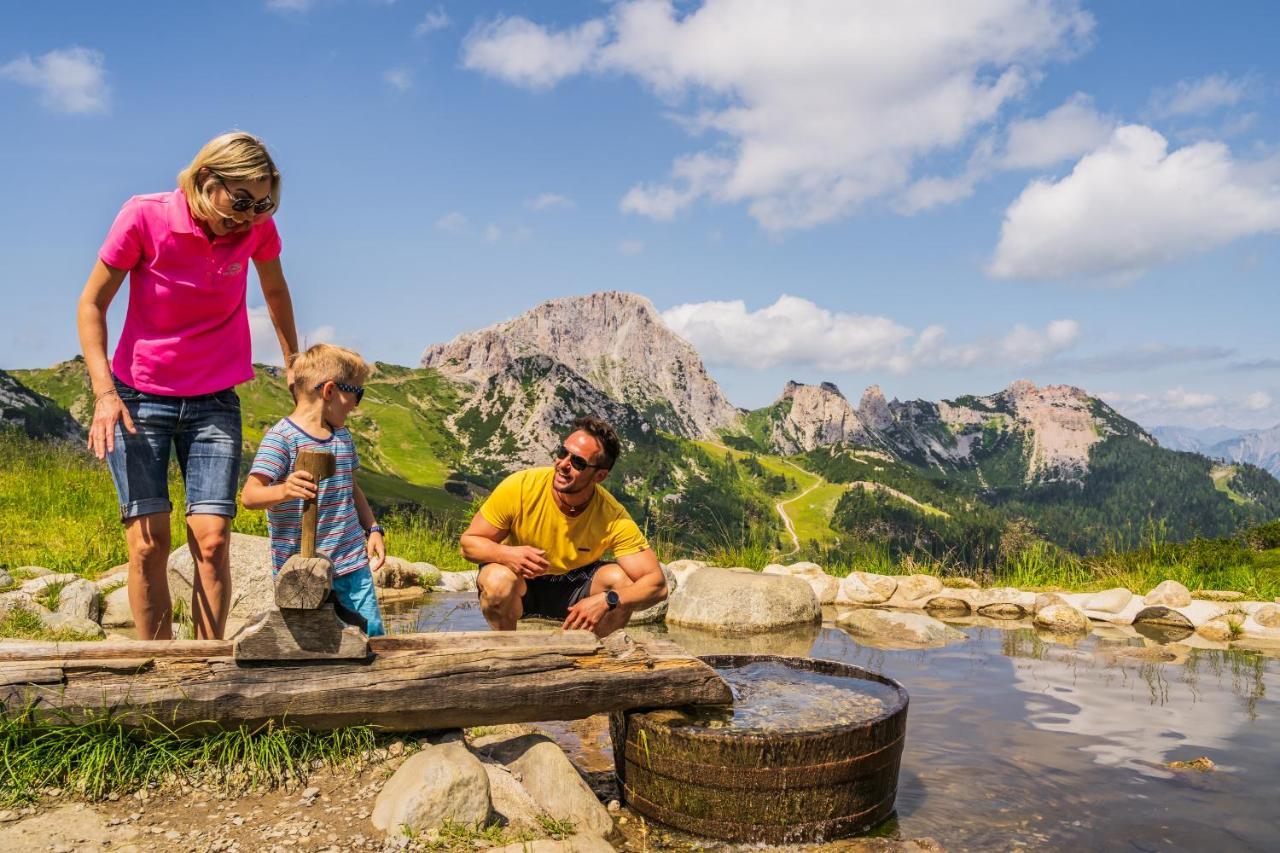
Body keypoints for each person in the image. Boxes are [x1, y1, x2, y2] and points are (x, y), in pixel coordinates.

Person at [77, 131, 299, 640]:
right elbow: (91, 304)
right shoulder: (144, 215)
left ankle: (207, 669)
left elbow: (276, 288)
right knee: (148, 544)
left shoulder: (256, 229)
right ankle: (154, 667)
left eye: (261, 204)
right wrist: (104, 394)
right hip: (137, 397)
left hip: (214, 402)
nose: (246, 215)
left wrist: (292, 360)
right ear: (206, 180)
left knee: (214, 539)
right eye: (239, 200)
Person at [461, 416, 667, 637]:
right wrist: (506, 554)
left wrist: (609, 600)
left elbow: (657, 585)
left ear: (600, 476)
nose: (563, 464)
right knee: (496, 579)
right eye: (562, 452)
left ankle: (593, 661)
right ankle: (506, 653)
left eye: (578, 463)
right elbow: (469, 544)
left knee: (622, 582)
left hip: (574, 586)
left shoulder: (613, 516)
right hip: (520, 580)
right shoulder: (520, 486)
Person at [240, 344, 386, 636]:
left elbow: (351, 486)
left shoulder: (342, 436)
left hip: (350, 562)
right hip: (300, 571)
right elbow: (250, 496)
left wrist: (372, 528)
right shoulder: (282, 438)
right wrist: (284, 490)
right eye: (357, 393)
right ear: (330, 390)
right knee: (311, 640)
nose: (356, 404)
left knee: (370, 636)